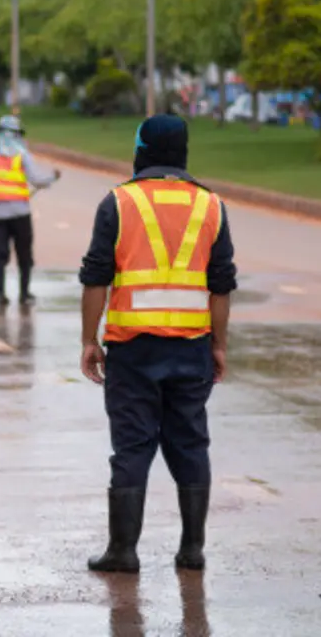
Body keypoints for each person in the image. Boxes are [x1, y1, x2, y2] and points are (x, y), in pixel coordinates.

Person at [77, 114, 237, 574]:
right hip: (191, 349)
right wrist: (219, 345)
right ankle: (192, 551)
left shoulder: (118, 203)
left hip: (132, 350)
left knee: (132, 447)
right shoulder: (211, 206)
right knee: (190, 444)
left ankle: (123, 552)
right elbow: (220, 285)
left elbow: (95, 279)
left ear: (141, 149)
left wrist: (90, 340)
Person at [0, 114, 60, 307]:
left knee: (0, 255)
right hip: (19, 214)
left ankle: (1, 295)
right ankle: (24, 294)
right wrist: (53, 177)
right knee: (24, 255)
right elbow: (37, 179)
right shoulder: (21, 156)